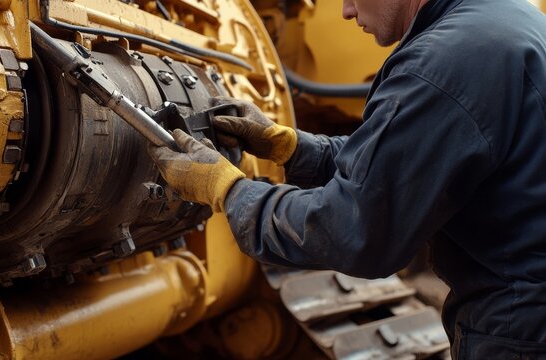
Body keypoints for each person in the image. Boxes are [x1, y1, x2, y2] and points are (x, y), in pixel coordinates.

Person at [148, 0, 546, 357]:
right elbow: (407, 162)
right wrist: (293, 148)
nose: (346, 11)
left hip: (521, 328)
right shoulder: (505, 18)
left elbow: (353, 230)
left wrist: (227, 190)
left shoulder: (443, 62)